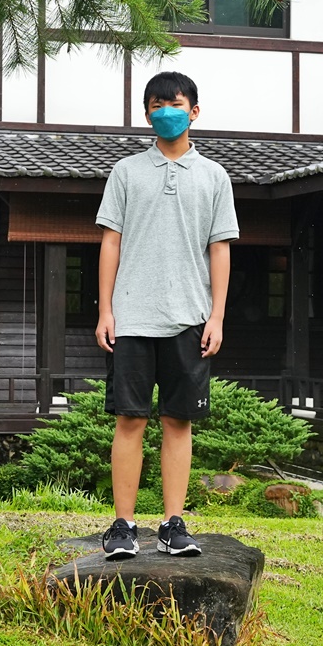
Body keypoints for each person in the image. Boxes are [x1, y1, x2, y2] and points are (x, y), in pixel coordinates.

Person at [94, 71, 237, 558]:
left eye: (173, 103)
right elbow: (110, 242)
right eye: (154, 105)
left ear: (194, 110)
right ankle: (123, 526)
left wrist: (216, 316)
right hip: (131, 319)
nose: (164, 112)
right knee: (129, 422)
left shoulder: (215, 177)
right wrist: (105, 310)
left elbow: (220, 250)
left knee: (179, 423)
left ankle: (174, 524)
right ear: (146, 113)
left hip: (190, 320)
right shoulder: (126, 172)